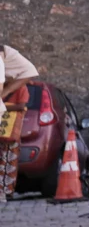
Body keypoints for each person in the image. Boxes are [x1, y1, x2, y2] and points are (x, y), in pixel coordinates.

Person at [0, 44, 39, 202]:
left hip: (11, 131)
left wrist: (6, 105)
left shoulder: (21, 89)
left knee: (8, 162)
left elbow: (22, 105)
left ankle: (5, 191)